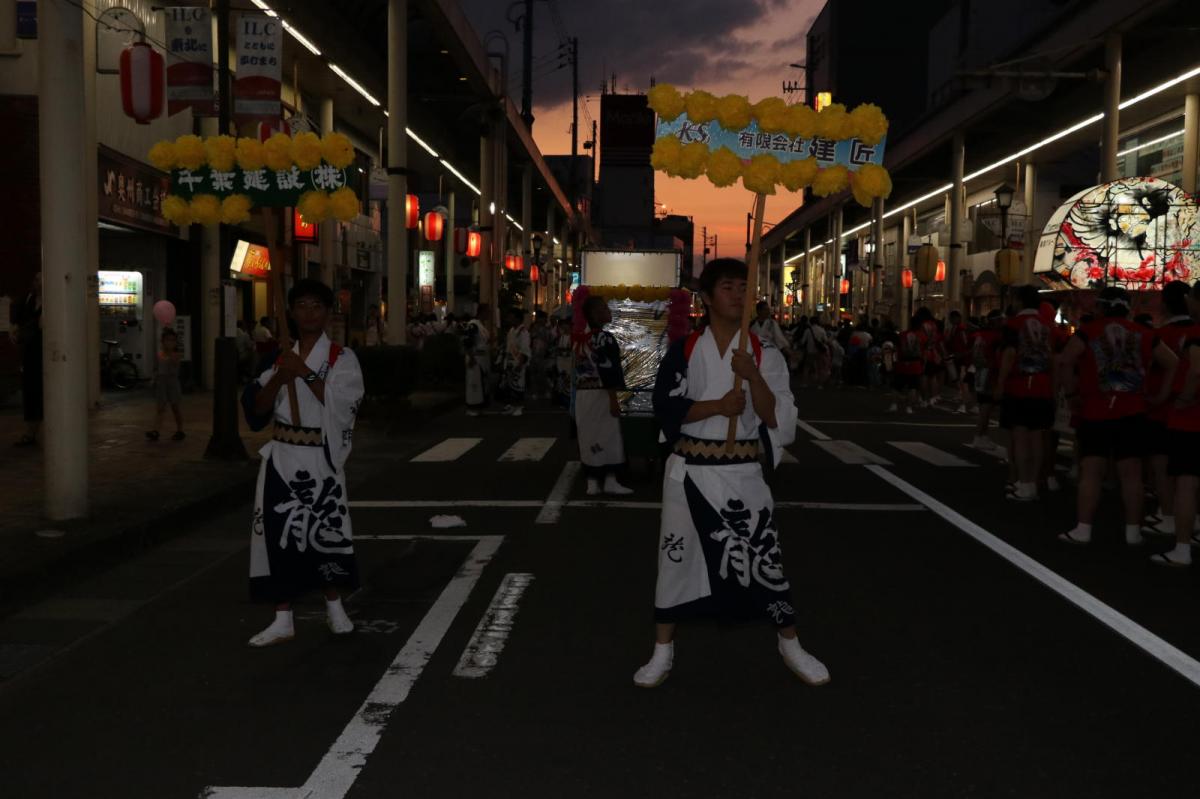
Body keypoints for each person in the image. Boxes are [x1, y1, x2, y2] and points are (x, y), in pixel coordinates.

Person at [634, 258, 829, 689]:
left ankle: (789, 643)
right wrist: (716, 407)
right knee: (676, 559)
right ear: (706, 297)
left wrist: (752, 375)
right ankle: (662, 651)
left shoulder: (764, 352)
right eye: (728, 287)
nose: (739, 294)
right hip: (688, 472)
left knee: (764, 558)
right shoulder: (684, 350)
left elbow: (778, 420)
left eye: (745, 286)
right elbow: (666, 410)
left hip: (741, 471)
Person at [240, 279, 365, 647]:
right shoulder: (277, 357)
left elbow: (344, 405)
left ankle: (334, 606)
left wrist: (305, 373)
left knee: (324, 532)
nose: (309, 313)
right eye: (302, 306)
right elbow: (257, 411)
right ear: (291, 313)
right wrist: (282, 374)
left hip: (319, 458)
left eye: (316, 306)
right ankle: (282, 617)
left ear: (328, 312)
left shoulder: (341, 358)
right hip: (281, 456)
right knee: (279, 534)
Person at [1057, 286, 1177, 547]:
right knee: (1132, 474)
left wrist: (1072, 394)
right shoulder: (1145, 333)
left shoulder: (1089, 332)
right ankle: (1133, 530)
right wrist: (1159, 396)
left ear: (1101, 307)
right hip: (1133, 410)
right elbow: (1173, 363)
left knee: (1092, 471)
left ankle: (1083, 528)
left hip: (1095, 410)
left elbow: (1065, 361)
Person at [1141, 282, 1192, 540]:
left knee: (1164, 467)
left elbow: (1152, 369)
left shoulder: (1162, 335)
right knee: (1190, 474)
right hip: (1190, 408)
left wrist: (1159, 396)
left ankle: (1168, 515)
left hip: (1166, 409)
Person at [997, 286, 1057, 502]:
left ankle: (1023, 484)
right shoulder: (1047, 326)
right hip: (1042, 386)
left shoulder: (1012, 325)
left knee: (1020, 437)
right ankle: (1033, 482)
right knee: (1037, 437)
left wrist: (1000, 384)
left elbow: (1009, 354)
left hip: (1019, 385)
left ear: (1019, 301)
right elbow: (1053, 358)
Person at [1156, 280, 1200, 566]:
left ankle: (1182, 547)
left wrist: (1184, 398)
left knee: (1186, 482)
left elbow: (1196, 370)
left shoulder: (1196, 335)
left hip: (1191, 419)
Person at [574, 295, 633, 496]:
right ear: (596, 313)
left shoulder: (579, 339)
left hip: (582, 395)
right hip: (601, 394)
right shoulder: (604, 339)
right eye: (605, 308)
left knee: (588, 435)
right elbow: (610, 373)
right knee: (609, 435)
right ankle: (610, 479)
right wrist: (614, 400)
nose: (608, 311)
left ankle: (592, 481)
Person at [12, 272, 42, 447]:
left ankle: (33, 431)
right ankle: (31, 431)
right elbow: (20, 319)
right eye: (36, 279)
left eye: (40, 280)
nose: (37, 283)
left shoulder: (54, 301)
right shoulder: (29, 299)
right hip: (29, 351)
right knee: (30, 392)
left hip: (44, 352)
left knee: (39, 392)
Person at [968, 310, 1003, 450]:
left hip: (980, 371)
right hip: (990, 372)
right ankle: (979, 436)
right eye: (1000, 320)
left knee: (984, 405)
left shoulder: (980, 335)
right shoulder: (996, 336)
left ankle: (983, 436)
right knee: (986, 407)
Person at [146, 328, 185, 441]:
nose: (170, 342)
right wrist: (153, 379)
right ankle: (156, 430)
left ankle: (180, 430)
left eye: (173, 340)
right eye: (168, 340)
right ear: (162, 341)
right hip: (161, 382)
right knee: (160, 408)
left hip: (172, 382)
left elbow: (175, 366)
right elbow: (156, 369)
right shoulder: (159, 354)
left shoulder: (176, 354)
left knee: (175, 407)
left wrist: (170, 355)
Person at [889, 316, 925, 414]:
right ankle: (909, 407)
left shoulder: (903, 334)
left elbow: (896, 348)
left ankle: (894, 405)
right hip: (916, 363)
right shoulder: (921, 335)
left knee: (896, 386)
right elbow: (923, 350)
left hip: (902, 363)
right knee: (913, 386)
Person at [501, 308, 531, 416]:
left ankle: (519, 406)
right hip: (509, 361)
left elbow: (525, 349)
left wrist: (520, 363)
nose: (509, 319)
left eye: (511, 317)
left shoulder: (523, 332)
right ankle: (512, 405)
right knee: (509, 385)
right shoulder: (512, 331)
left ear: (517, 318)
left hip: (518, 362)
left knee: (518, 384)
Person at [463, 304, 491, 416]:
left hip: (483, 358)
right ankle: (472, 407)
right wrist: (471, 356)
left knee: (481, 384)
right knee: (474, 384)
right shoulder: (473, 325)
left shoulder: (481, 326)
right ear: (481, 312)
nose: (488, 315)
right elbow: (468, 342)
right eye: (487, 312)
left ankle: (479, 406)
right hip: (475, 358)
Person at [944, 310, 972, 413]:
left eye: (952, 318)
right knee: (961, 380)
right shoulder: (954, 329)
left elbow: (966, 343)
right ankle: (967, 402)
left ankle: (965, 405)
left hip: (963, 358)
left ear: (957, 318)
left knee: (963, 381)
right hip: (958, 357)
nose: (951, 320)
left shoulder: (961, 329)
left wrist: (962, 354)